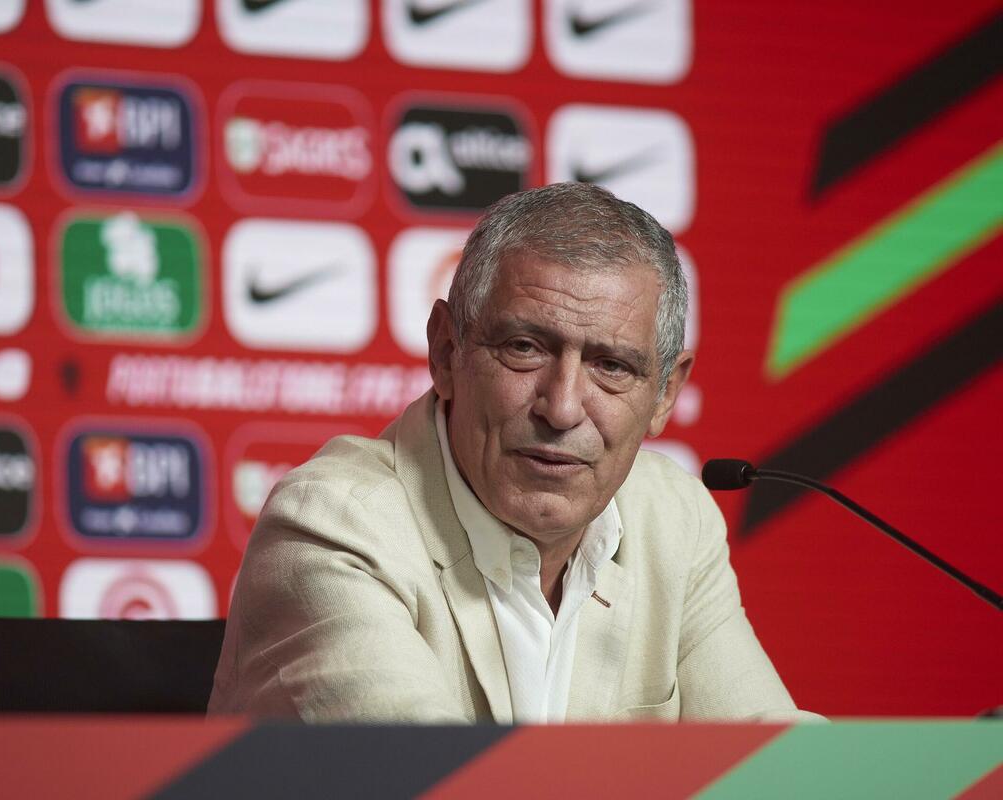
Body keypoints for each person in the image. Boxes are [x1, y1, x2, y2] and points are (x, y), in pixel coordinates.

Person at [209, 182, 817, 723]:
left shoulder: (675, 522)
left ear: (664, 395)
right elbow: (431, 784)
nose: (563, 408)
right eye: (525, 347)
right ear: (447, 353)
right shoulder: (332, 527)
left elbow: (777, 765)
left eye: (611, 366)